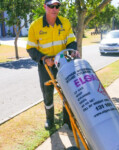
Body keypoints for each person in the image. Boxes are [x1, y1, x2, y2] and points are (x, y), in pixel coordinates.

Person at [26, 0, 79, 130]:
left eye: (57, 6)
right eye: (51, 6)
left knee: (68, 92)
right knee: (47, 94)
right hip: (45, 66)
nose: (54, 9)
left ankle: (68, 121)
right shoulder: (35, 25)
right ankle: (50, 120)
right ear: (45, 7)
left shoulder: (65, 23)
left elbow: (72, 42)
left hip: (63, 64)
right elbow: (31, 49)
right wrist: (44, 59)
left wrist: (68, 55)